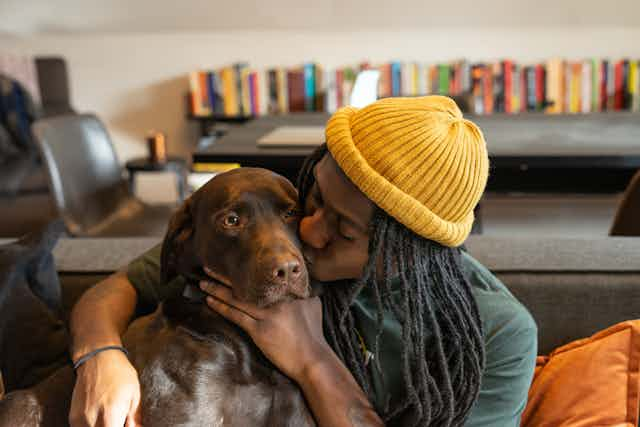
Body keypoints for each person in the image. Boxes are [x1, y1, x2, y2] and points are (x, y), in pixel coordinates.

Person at [69, 95, 537, 427]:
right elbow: (117, 289)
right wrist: (100, 357)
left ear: (408, 254)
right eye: (311, 201)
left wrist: (310, 358)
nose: (309, 235)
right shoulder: (274, 245)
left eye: (344, 231)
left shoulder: (499, 334)